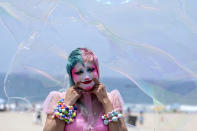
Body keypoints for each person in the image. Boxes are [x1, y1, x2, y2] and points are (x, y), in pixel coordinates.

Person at [43, 48, 127, 131]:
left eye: (90, 70)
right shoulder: (58, 98)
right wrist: (66, 104)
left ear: (97, 70)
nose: (86, 77)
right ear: (71, 75)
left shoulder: (112, 98)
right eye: (79, 72)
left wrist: (105, 101)